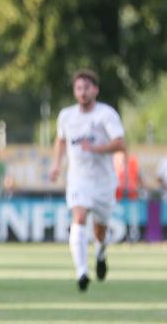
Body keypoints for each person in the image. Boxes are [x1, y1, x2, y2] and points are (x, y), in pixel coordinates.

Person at [49, 69, 125, 292]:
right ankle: (81, 272)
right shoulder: (66, 116)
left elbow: (120, 143)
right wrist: (56, 165)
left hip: (103, 181)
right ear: (75, 91)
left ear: (95, 90)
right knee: (79, 216)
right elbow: (60, 140)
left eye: (86, 88)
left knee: (100, 229)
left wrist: (96, 148)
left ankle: (100, 253)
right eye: (78, 88)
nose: (82, 92)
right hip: (78, 179)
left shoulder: (106, 114)